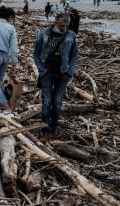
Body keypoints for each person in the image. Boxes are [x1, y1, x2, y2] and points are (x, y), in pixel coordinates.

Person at [33, 13, 79, 142]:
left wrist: (70, 71)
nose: (64, 27)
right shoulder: (44, 34)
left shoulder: (72, 35)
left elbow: (74, 55)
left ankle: (54, 127)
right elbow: (36, 54)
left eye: (66, 25)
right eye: (61, 25)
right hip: (47, 73)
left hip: (63, 73)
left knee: (57, 103)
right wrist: (42, 69)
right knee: (47, 102)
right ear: (55, 22)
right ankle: (45, 131)